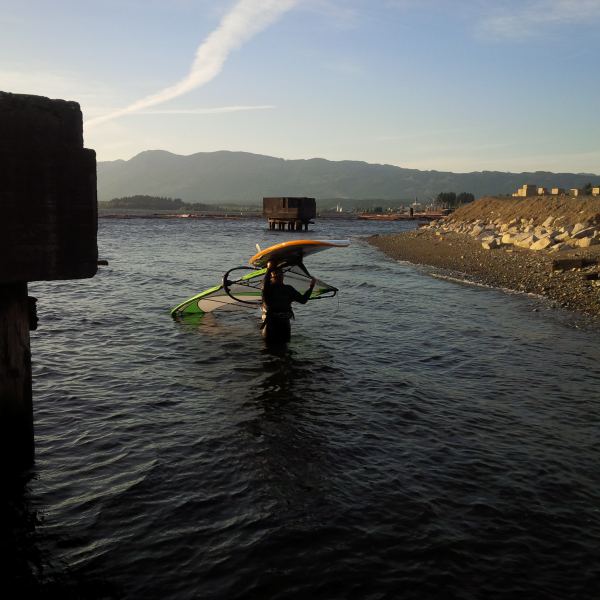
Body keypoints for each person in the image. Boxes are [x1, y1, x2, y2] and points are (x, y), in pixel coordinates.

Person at [261, 260, 315, 343]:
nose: (279, 275)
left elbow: (303, 300)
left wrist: (311, 287)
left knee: (284, 350)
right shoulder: (268, 289)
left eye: (280, 273)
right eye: (275, 274)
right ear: (272, 277)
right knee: (271, 350)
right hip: (271, 325)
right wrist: (268, 269)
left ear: (283, 276)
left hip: (285, 324)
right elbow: (265, 285)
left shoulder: (288, 289)